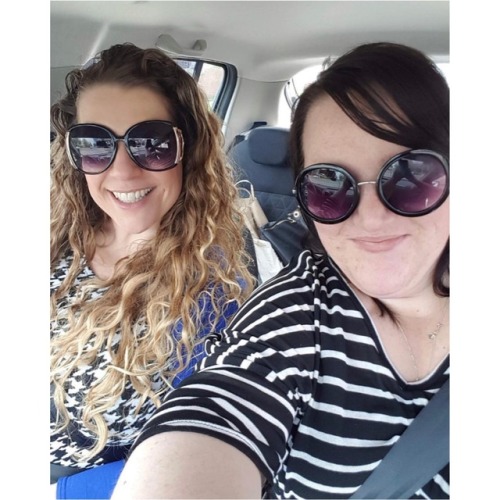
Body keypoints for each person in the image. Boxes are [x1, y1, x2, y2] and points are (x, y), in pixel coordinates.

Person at [111, 41, 450, 499]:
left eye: (410, 175)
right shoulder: (295, 317)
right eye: (329, 184)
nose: (371, 218)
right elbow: (222, 405)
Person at [50, 43, 255, 498]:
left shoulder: (213, 293)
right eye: (95, 144)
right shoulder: (53, 232)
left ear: (189, 148)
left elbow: (198, 448)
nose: (122, 171)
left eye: (151, 143)